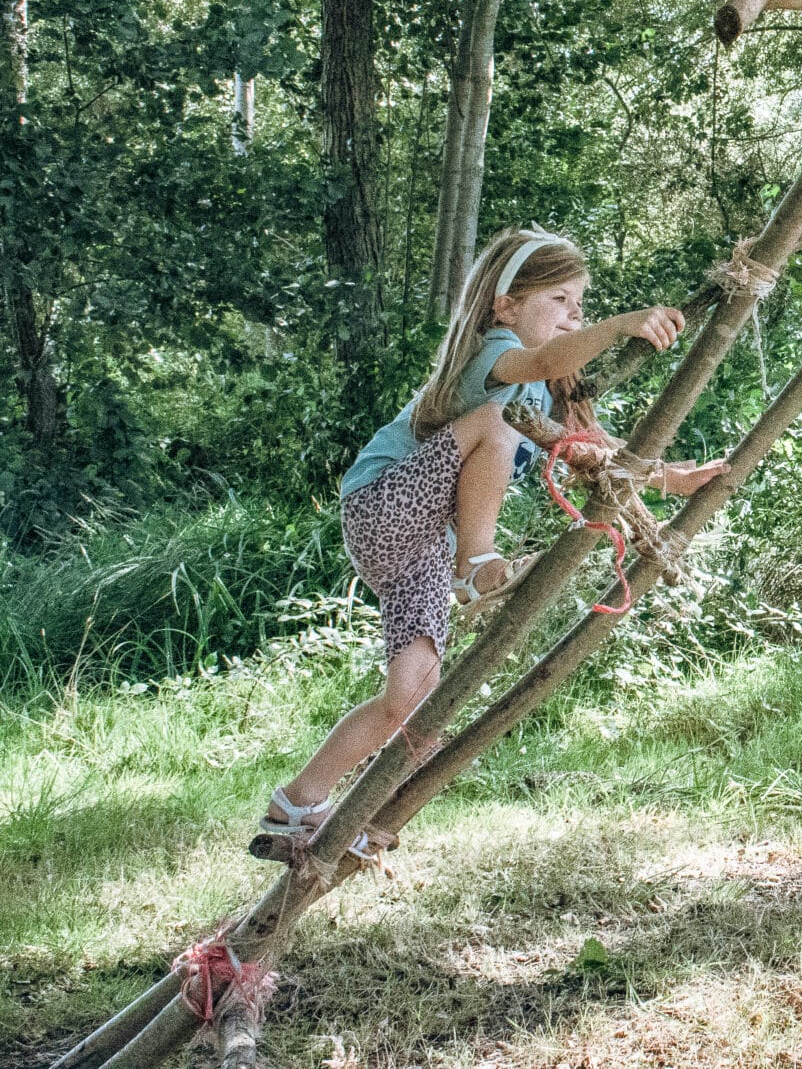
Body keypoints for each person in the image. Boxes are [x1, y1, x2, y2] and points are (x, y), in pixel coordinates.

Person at [260, 227, 730, 839]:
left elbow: (598, 451)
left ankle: (299, 799)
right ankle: (477, 565)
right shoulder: (494, 354)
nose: (576, 313)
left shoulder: (542, 394)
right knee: (498, 423)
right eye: (560, 299)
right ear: (505, 305)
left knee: (411, 696)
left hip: (418, 548)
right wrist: (622, 325)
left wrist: (674, 480)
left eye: (581, 302)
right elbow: (543, 361)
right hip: (383, 505)